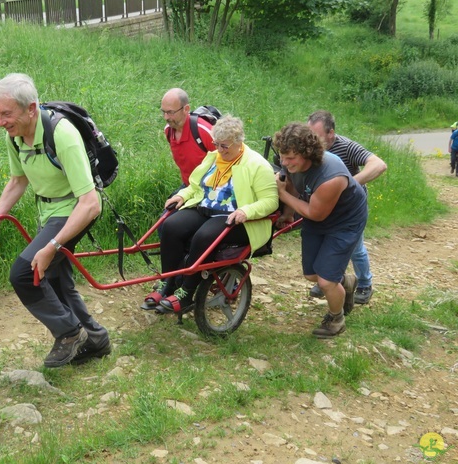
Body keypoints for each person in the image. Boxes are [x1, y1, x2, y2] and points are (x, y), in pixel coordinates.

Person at [0, 73, 110, 368]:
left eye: (6, 114)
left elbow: (90, 203)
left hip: (76, 211)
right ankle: (96, 339)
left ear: (31, 109)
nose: (0, 121)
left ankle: (69, 334)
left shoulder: (62, 135)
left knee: (24, 274)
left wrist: (52, 245)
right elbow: (17, 181)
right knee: (55, 279)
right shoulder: (15, 137)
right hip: (48, 212)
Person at [143, 115, 279, 312]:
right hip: (206, 207)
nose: (220, 150)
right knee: (171, 226)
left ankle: (187, 293)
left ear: (239, 142)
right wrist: (181, 196)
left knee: (203, 237)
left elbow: (270, 201)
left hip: (236, 217)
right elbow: (195, 186)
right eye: (217, 145)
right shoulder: (214, 156)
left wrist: (246, 211)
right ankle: (170, 284)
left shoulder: (257, 165)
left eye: (225, 146)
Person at [274, 122, 368, 338]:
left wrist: (282, 196)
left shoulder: (330, 176)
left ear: (307, 153)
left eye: (291, 158)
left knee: (326, 281)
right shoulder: (292, 164)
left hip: (345, 220)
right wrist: (288, 213)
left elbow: (315, 214)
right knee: (312, 274)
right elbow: (292, 186)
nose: (285, 163)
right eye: (283, 157)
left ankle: (336, 319)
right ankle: (346, 282)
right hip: (318, 212)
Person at [307, 110, 387, 305]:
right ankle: (330, 278)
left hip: (350, 208)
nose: (311, 141)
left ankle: (365, 283)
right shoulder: (309, 148)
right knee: (323, 242)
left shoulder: (347, 146)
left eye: (316, 136)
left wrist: (350, 184)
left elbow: (379, 165)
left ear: (331, 134)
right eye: (309, 135)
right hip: (324, 204)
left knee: (355, 248)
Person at [161, 88, 216, 189]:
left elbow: (230, 160)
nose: (166, 117)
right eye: (163, 112)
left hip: (213, 189)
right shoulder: (168, 130)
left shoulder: (204, 131)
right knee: (170, 205)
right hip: (189, 188)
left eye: (170, 112)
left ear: (186, 109)